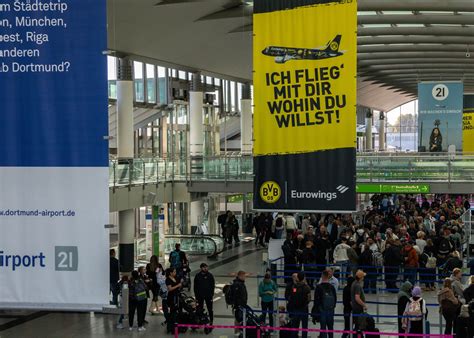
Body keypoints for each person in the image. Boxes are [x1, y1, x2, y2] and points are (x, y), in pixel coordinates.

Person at [312, 270, 337, 338]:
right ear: (328, 276)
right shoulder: (332, 287)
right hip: (330, 310)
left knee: (323, 328)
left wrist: (314, 312)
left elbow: (316, 301)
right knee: (330, 327)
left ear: (322, 276)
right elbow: (335, 298)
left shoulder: (319, 287)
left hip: (322, 309)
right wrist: (332, 307)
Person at [288, 272, 311, 338]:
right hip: (304, 309)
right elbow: (309, 299)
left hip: (295, 308)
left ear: (298, 277)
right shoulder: (307, 287)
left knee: (294, 325)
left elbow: (292, 296)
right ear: (304, 278)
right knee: (304, 326)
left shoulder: (294, 286)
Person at [165, 267, 182, 334]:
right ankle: (171, 328)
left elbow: (179, 285)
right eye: (174, 272)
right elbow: (170, 289)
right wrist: (178, 285)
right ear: (170, 273)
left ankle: (176, 326)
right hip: (171, 297)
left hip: (177, 296)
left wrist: (180, 285)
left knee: (176, 312)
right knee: (172, 313)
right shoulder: (168, 280)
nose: (175, 273)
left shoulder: (175, 278)